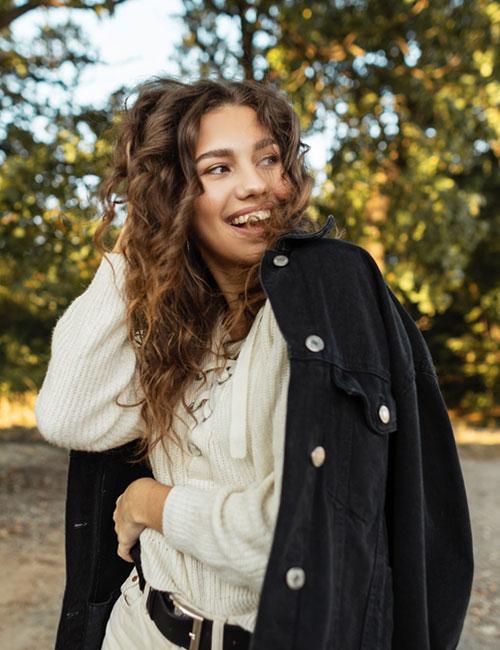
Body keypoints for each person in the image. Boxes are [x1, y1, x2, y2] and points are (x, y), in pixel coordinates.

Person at [35, 77, 474, 650]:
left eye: (269, 159)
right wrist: (136, 247)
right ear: (174, 196)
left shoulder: (324, 308)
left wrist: (154, 503)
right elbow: (70, 416)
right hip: (138, 628)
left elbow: (295, 540)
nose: (255, 185)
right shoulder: (183, 324)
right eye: (217, 169)